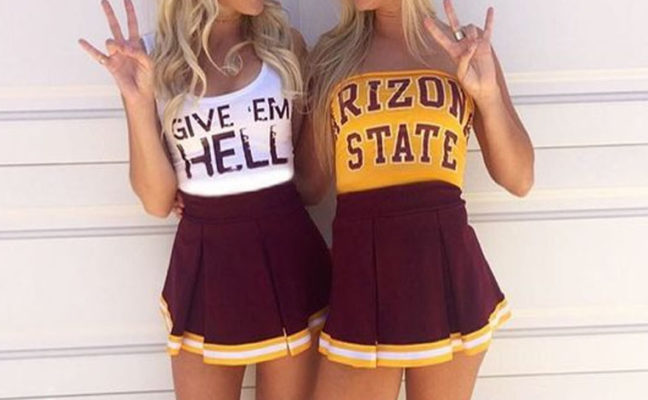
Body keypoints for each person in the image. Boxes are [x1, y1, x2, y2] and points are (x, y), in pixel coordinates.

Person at [78, 1, 331, 399]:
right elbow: (157, 201)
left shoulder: (287, 47)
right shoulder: (153, 58)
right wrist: (138, 102)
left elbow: (308, 185)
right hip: (204, 262)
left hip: (289, 259)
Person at [300, 0, 535, 399]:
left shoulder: (462, 49)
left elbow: (519, 178)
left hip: (444, 274)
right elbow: (310, 186)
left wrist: (488, 96)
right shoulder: (331, 57)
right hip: (360, 276)